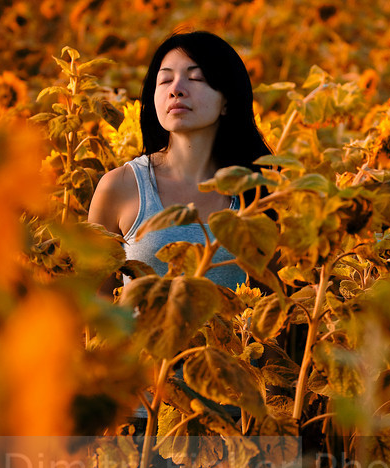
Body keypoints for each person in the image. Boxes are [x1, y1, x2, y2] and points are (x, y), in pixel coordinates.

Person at [88, 31, 271, 294]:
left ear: (226, 102)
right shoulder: (121, 186)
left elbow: (275, 310)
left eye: (196, 78)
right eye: (165, 80)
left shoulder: (255, 192)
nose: (176, 89)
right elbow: (94, 312)